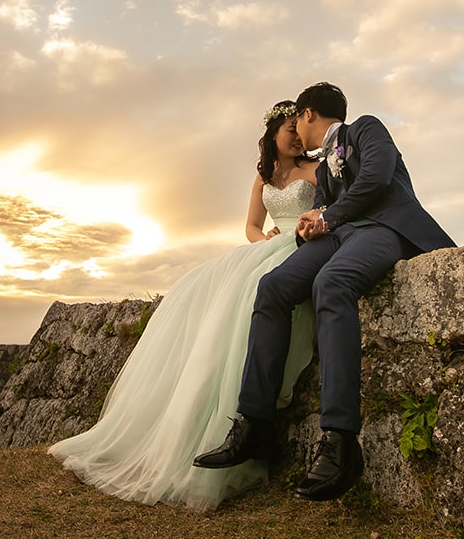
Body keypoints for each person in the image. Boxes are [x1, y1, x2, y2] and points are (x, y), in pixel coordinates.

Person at [48, 100, 319, 510]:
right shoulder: (263, 178)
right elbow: (250, 225)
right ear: (272, 136)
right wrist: (259, 240)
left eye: (299, 130)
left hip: (299, 244)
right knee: (198, 284)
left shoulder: (314, 171)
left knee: (253, 291)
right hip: (268, 245)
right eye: (289, 130)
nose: (298, 137)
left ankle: (246, 414)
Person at [193, 82, 456, 502]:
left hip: (383, 229)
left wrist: (328, 214)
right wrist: (308, 223)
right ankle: (256, 423)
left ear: (308, 114)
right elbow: (322, 207)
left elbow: (374, 178)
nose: (296, 127)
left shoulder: (366, 129)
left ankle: (340, 441)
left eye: (297, 118)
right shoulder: (319, 168)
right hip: (338, 234)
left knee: (331, 283)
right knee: (273, 286)